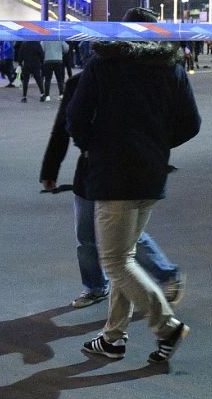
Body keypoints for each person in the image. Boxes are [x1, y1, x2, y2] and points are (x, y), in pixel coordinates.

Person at [67, 7, 201, 363]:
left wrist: (97, 145)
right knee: (125, 255)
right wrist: (156, 145)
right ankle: (113, 337)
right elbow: (191, 123)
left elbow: (76, 119)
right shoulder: (171, 69)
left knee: (113, 262)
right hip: (151, 174)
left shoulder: (103, 66)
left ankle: (166, 325)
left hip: (113, 174)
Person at [41, 61, 185, 310]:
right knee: (87, 237)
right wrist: (50, 169)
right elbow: (62, 130)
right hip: (89, 174)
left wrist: (153, 150)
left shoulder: (126, 82)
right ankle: (95, 287)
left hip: (120, 174)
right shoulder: (77, 84)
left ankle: (165, 277)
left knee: (127, 238)